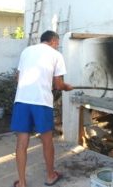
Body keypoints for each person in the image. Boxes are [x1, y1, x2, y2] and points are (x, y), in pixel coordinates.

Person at [11, 30, 73, 187]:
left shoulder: (26, 51)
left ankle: (22, 183)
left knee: (21, 142)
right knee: (46, 141)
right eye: (57, 43)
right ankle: (50, 176)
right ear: (53, 41)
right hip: (42, 102)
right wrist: (66, 87)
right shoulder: (56, 55)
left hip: (22, 100)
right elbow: (58, 85)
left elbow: (18, 78)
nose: (57, 46)